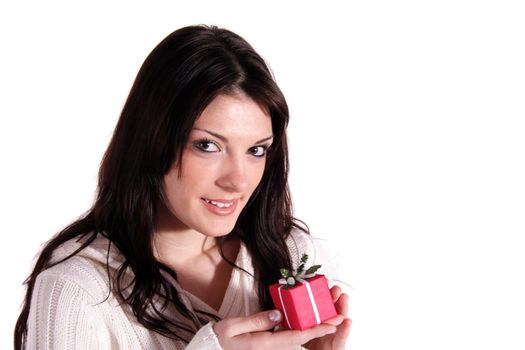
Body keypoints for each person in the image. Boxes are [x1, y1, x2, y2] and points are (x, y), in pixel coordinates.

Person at [14, 24, 351, 349]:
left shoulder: (292, 254)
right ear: (152, 141)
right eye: (207, 146)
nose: (239, 180)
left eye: (256, 150)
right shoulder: (78, 290)